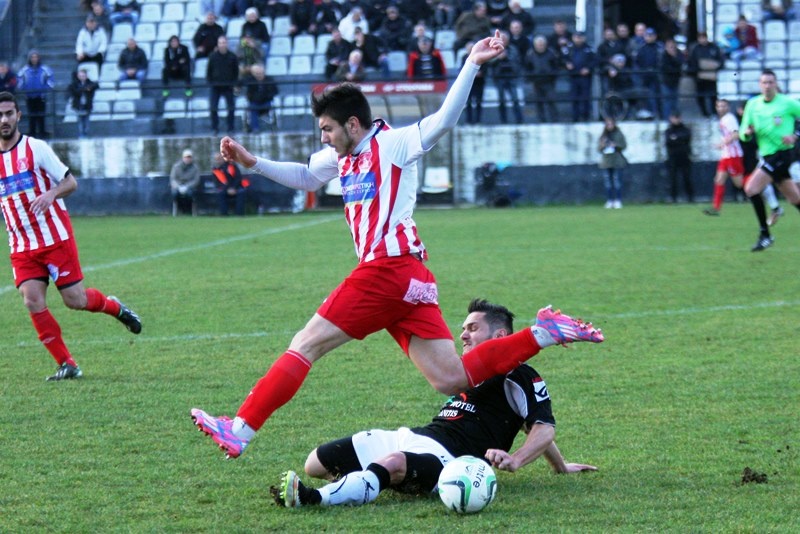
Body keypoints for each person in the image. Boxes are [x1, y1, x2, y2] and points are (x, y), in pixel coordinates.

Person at [190, 30, 605, 459]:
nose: (324, 138)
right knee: (451, 379)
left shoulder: (392, 144)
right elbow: (306, 175)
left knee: (305, 344)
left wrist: (472, 63)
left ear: (353, 124)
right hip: (411, 278)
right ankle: (543, 332)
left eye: (328, 129)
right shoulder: (341, 157)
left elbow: (443, 120)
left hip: (385, 269)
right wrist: (253, 163)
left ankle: (241, 428)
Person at [272, 298, 597, 508]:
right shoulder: (464, 371)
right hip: (412, 436)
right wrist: (558, 465)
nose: (464, 336)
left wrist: (518, 459)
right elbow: (536, 427)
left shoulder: (520, 374)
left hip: (450, 459)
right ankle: (376, 481)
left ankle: (314, 500)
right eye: (463, 329)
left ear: (500, 337)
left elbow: (541, 426)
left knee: (394, 463)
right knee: (316, 464)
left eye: (472, 328)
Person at [0, 91, 141, 381]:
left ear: (18, 116)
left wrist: (51, 194)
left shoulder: (35, 148)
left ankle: (115, 307)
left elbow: (70, 182)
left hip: (55, 239)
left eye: (9, 114)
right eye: (0, 115)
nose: (4, 120)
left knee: (75, 300)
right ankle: (67, 364)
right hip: (21, 244)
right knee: (31, 300)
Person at [740, 69, 800, 251]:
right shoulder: (753, 104)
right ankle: (766, 235)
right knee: (794, 198)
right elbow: (743, 131)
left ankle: (765, 234)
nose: (767, 86)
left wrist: (795, 135)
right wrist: (747, 134)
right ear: (760, 85)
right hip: (766, 155)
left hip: (782, 154)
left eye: (770, 82)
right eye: (764, 83)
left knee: (751, 188)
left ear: (776, 84)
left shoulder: (787, 103)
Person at [703, 99, 744, 215]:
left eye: (723, 106)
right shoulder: (723, 119)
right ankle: (716, 208)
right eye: (719, 106)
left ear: (728, 107)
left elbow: (736, 134)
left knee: (739, 183)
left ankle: (764, 188)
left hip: (733, 155)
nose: (721, 108)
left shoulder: (730, 119)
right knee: (719, 179)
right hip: (726, 155)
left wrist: (723, 143)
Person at [17, 50, 54, 139]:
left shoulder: (45, 69)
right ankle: (32, 133)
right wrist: (25, 88)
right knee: (31, 115)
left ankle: (42, 132)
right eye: (32, 57)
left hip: (41, 96)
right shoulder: (24, 70)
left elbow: (51, 81)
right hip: (29, 96)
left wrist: (44, 88)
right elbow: (19, 81)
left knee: (41, 115)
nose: (34, 59)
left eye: (36, 57)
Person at [206, 35, 239, 134]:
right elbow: (209, 71)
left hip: (228, 86)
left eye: (224, 42)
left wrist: (233, 83)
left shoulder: (232, 56)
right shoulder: (212, 56)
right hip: (215, 86)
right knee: (213, 108)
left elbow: (236, 72)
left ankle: (231, 128)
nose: (222, 45)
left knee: (231, 108)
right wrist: (211, 82)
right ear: (217, 44)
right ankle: (214, 128)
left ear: (227, 44)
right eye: (220, 43)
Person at [687, 31, 724, 118]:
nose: (703, 40)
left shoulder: (714, 48)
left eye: (704, 38)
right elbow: (692, 62)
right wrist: (698, 69)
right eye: (701, 38)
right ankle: (705, 113)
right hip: (700, 78)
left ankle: (714, 113)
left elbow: (720, 60)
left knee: (713, 96)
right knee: (700, 96)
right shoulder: (695, 49)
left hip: (711, 77)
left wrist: (715, 66)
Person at [525, 35, 559, 123]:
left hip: (549, 81)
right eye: (538, 44)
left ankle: (554, 119)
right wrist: (531, 77)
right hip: (536, 82)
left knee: (551, 101)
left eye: (542, 44)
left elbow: (556, 66)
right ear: (535, 45)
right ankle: (541, 120)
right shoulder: (530, 54)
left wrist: (552, 75)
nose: (540, 46)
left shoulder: (551, 53)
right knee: (538, 102)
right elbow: (527, 67)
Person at [491, 31, 523, 124]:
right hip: (499, 77)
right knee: (501, 101)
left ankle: (519, 120)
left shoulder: (513, 49)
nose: (504, 41)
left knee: (515, 99)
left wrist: (507, 58)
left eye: (505, 39)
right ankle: (503, 121)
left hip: (511, 76)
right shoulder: (493, 49)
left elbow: (518, 62)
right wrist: (498, 58)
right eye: (502, 39)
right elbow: (488, 62)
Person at [564, 31, 596, 123]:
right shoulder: (569, 49)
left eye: (580, 37)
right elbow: (562, 59)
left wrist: (588, 68)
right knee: (574, 97)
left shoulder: (589, 48)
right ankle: (575, 117)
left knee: (585, 97)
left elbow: (595, 60)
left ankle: (586, 117)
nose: (578, 39)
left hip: (585, 77)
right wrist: (567, 64)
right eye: (576, 37)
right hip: (573, 76)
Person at [598, 117, 627, 208]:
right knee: (608, 182)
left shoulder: (619, 134)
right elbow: (599, 149)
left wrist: (616, 145)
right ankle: (609, 200)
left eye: (611, 124)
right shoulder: (603, 136)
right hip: (606, 162)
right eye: (607, 124)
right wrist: (602, 145)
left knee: (617, 181)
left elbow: (624, 145)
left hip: (617, 161)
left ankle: (618, 200)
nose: (609, 126)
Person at [664, 111, 693, 203]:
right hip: (672, 158)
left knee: (687, 178)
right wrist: (679, 140)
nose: (676, 120)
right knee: (673, 179)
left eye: (677, 117)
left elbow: (686, 138)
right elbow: (668, 142)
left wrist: (676, 139)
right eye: (674, 117)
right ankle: (673, 197)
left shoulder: (685, 130)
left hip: (684, 157)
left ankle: (690, 197)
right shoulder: (668, 131)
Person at [243, 63, 279, 133]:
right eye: (257, 73)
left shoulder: (270, 80)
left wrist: (265, 96)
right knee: (252, 108)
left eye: (261, 73)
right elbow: (249, 94)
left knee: (267, 106)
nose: (259, 75)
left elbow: (275, 91)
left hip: (266, 102)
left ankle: (273, 127)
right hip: (255, 102)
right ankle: (255, 129)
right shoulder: (250, 81)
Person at [68, 68, 98, 138]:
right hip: (78, 105)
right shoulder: (74, 84)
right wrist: (84, 89)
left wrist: (86, 88)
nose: (82, 77)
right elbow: (73, 91)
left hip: (87, 105)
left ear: (86, 76)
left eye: (83, 76)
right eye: (80, 76)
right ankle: (81, 134)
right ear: (78, 76)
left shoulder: (89, 83)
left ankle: (86, 134)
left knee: (86, 121)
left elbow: (96, 85)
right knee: (80, 121)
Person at [170, 148, 201, 215]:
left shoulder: (195, 168)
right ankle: (177, 212)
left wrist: (187, 186)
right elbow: (173, 179)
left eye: (189, 157)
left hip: (190, 187)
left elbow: (196, 180)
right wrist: (178, 187)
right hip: (178, 187)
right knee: (174, 194)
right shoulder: (176, 167)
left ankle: (189, 211)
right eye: (186, 157)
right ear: (183, 158)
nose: (188, 159)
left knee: (190, 194)